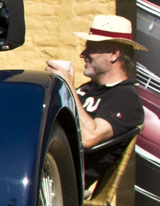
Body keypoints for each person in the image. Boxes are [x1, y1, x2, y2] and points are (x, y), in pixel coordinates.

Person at [45, 13, 147, 187]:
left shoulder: (126, 100)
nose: (83, 54)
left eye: (91, 47)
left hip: (59, 180)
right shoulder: (87, 89)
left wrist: (68, 88)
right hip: (45, 163)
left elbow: (88, 137)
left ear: (114, 54)